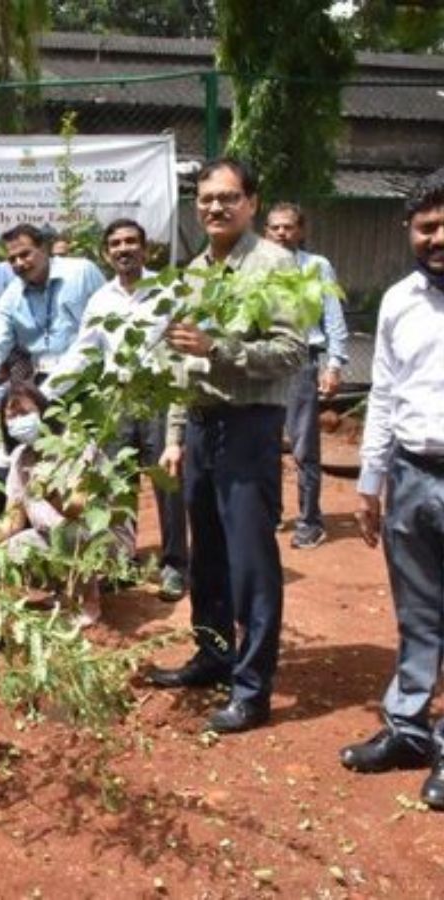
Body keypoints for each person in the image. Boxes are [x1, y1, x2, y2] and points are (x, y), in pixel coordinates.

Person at [148, 159, 305, 734]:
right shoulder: (193, 272)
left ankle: (253, 688)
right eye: (207, 197)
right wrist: (173, 436)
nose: (216, 207)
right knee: (207, 555)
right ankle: (213, 654)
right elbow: (181, 363)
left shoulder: (274, 265)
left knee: (250, 562)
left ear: (252, 203)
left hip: (248, 425)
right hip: (201, 424)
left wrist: (221, 349)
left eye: (228, 197)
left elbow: (291, 353)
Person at [340, 169, 444, 808]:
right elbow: (381, 393)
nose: (438, 237)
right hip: (408, 474)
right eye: (427, 226)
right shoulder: (397, 301)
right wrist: (370, 482)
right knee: (417, 613)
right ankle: (407, 729)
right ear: (408, 231)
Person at [46, 218, 188, 602]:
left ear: (145, 248)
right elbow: (82, 351)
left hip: (159, 396)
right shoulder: (101, 300)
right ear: (106, 253)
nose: (123, 249)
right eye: (115, 244)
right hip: (117, 400)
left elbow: (184, 347)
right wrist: (48, 392)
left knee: (166, 482)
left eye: (130, 242)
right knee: (117, 485)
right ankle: (122, 563)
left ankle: (175, 564)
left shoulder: (169, 288)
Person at [0, 382, 131, 627]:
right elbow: (12, 520)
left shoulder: (75, 447)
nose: (17, 421)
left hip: (103, 537)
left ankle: (87, 602)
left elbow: (78, 508)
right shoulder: (21, 459)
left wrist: (50, 491)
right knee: (11, 549)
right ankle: (61, 589)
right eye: (11, 417)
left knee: (68, 531)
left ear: (44, 412)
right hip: (56, 537)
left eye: (24, 413)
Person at [264, 202, 349, 549]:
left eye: (288, 226)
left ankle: (310, 521)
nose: (281, 232)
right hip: (266, 364)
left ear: (301, 230)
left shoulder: (316, 266)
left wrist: (335, 364)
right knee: (265, 445)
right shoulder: (258, 268)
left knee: (304, 448)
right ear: (265, 231)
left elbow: (333, 318)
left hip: (301, 362)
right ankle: (270, 514)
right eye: (274, 227)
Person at [0, 223, 104, 400]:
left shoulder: (82, 273)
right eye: (12, 259)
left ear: (43, 248)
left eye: (25, 254)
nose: (19, 263)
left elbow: (107, 324)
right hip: (44, 381)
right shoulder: (11, 297)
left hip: (90, 376)